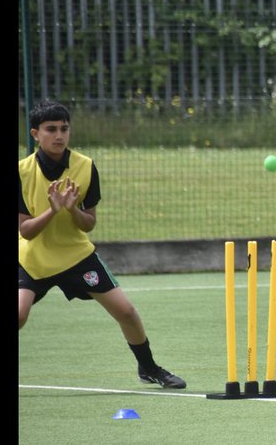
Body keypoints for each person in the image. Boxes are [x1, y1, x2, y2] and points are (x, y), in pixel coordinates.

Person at [18, 100, 186, 389]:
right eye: (51, 129)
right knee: (19, 315)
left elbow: (89, 224)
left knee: (126, 312)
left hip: (76, 255)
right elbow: (26, 230)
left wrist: (72, 210)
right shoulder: (22, 171)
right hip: (33, 258)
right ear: (35, 134)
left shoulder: (85, 166)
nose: (59, 135)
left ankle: (148, 368)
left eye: (64, 129)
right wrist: (52, 210)